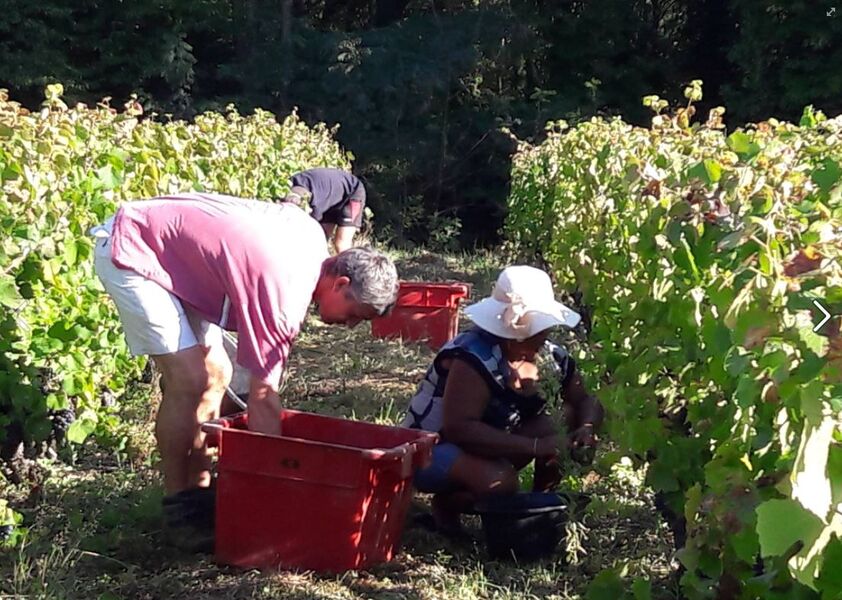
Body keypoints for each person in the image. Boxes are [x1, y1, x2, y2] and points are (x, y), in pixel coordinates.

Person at [90, 192, 398, 548]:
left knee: (217, 373)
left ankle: (200, 492)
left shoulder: (314, 240)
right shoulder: (284, 291)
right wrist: (279, 483)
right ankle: (179, 508)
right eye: (355, 315)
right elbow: (263, 397)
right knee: (189, 378)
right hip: (135, 248)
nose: (351, 326)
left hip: (178, 259)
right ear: (340, 283)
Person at [402, 265, 604, 535]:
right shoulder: (472, 356)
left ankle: (542, 505)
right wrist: (536, 446)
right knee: (500, 481)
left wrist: (587, 428)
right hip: (431, 451)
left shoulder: (551, 357)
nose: (546, 333)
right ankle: (448, 505)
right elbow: (459, 429)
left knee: (564, 416)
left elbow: (585, 400)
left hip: (487, 444)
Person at [283, 167, 366, 253]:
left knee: (341, 244)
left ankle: (350, 266)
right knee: (320, 240)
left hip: (352, 191)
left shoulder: (309, 206)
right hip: (328, 193)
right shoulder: (283, 191)